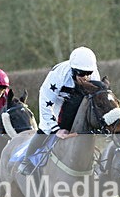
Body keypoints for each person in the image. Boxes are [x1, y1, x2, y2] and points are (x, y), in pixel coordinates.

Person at [18, 46, 100, 175]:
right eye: (81, 74)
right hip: (56, 100)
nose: (85, 78)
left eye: (88, 73)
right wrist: (56, 129)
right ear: (73, 70)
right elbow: (45, 101)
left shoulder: (94, 74)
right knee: (46, 128)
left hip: (78, 99)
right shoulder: (58, 75)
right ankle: (26, 161)